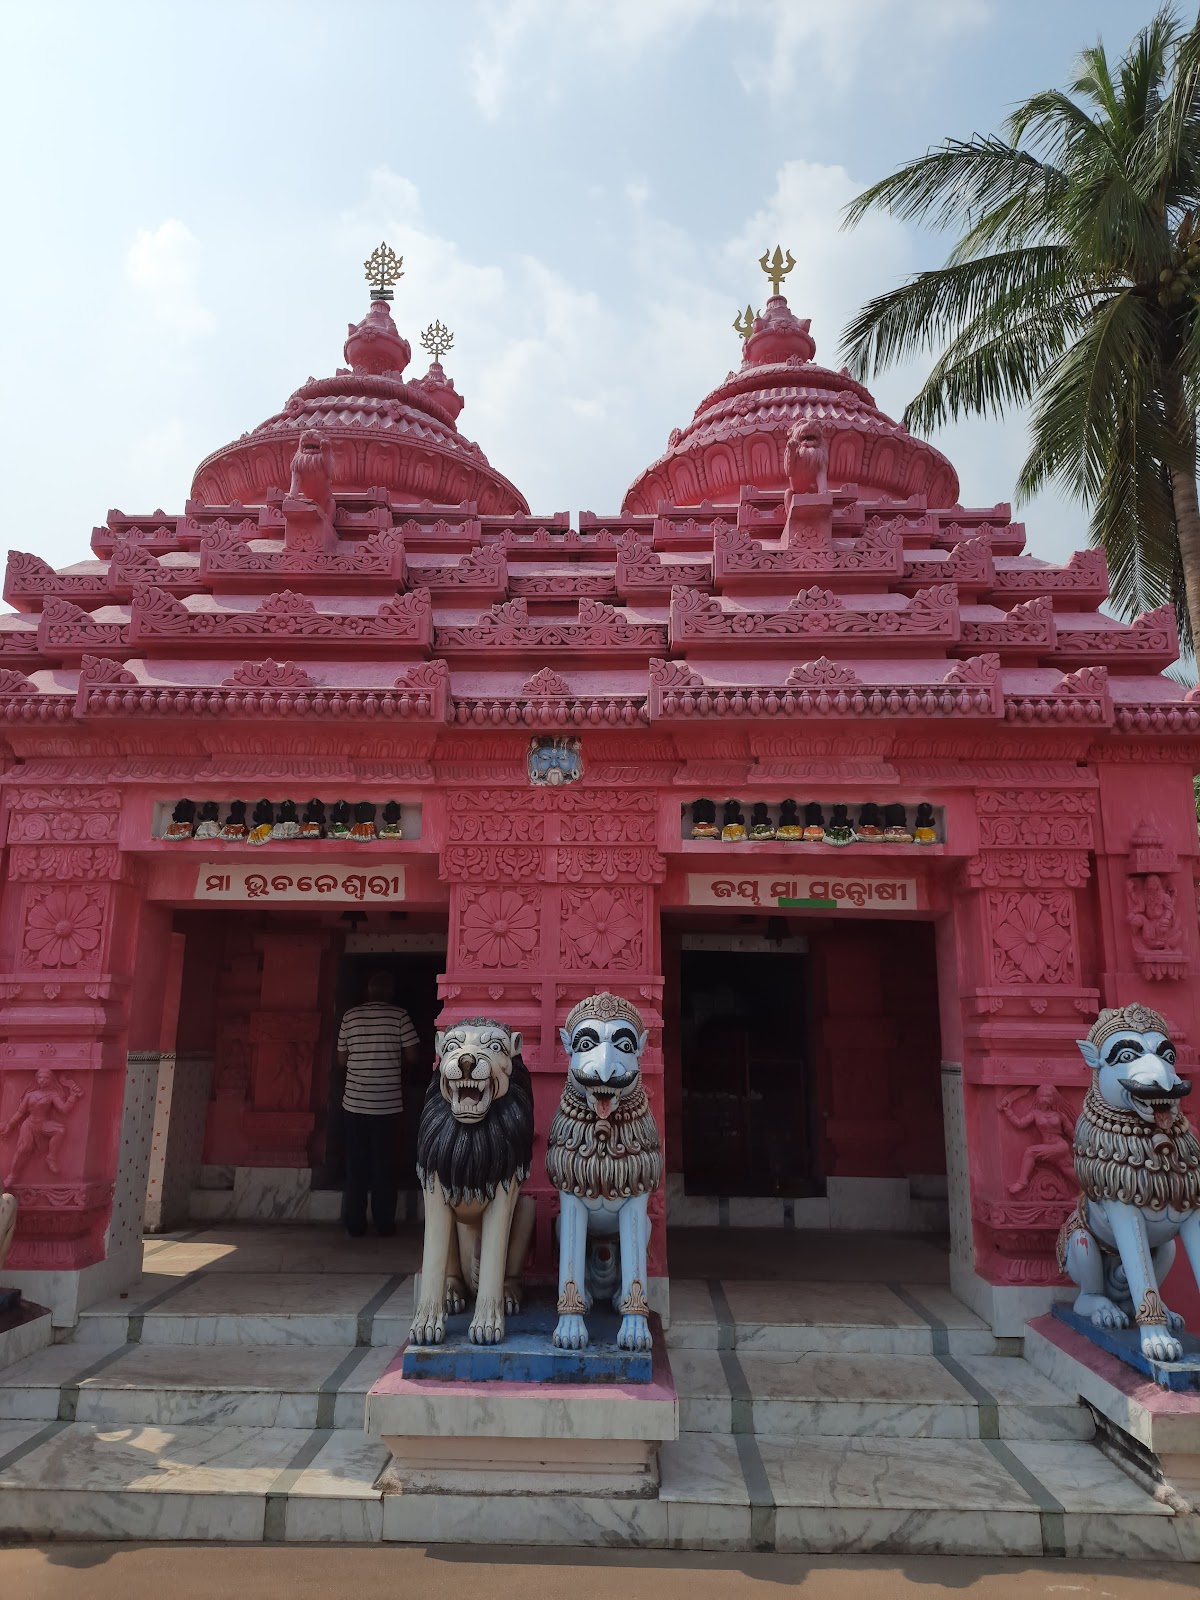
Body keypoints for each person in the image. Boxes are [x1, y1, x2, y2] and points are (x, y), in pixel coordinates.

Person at [336, 971, 420, 1237]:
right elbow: (413, 1055)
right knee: (385, 1164)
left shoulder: (350, 1017)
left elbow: (341, 1060)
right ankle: (384, 1223)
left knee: (356, 1163)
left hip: (353, 1103)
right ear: (390, 992)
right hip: (387, 1104)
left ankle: (354, 1224)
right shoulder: (400, 1016)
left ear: (368, 991)